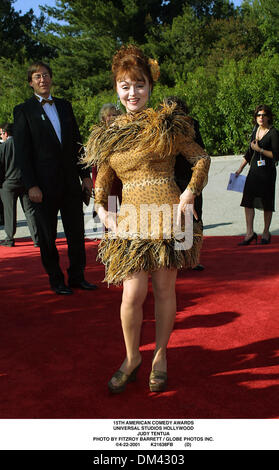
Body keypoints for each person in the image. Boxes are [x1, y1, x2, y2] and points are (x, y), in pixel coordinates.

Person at [82, 45, 210, 393]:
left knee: (165, 290)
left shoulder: (167, 124)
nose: (132, 92)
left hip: (169, 214)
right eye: (125, 85)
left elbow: (200, 158)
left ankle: (160, 356)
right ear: (117, 89)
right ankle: (131, 357)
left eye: (139, 84)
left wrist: (189, 193)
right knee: (131, 295)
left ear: (149, 86)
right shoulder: (109, 135)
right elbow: (103, 181)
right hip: (131, 220)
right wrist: (103, 210)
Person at [13, 61, 97, 295]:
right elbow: (22, 152)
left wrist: (86, 175)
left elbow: (77, 144)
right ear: (30, 82)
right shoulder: (24, 111)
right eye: (37, 77)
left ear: (51, 78)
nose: (43, 80)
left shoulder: (65, 106)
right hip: (42, 187)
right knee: (48, 238)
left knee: (76, 234)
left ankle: (78, 277)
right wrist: (31, 185)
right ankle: (56, 280)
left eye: (46, 75)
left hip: (70, 183)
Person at [163, 96, 206, 271]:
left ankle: (191, 257)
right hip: (171, 177)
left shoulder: (192, 124)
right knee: (175, 219)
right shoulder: (161, 125)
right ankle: (176, 258)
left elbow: (201, 150)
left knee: (194, 217)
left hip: (190, 176)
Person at [236, 105, 279, 245]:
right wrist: (240, 169)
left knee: (267, 202)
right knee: (247, 201)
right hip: (253, 171)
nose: (261, 117)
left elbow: (276, 155)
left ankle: (266, 233)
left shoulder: (273, 133)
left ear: (268, 117)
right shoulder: (255, 130)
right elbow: (249, 153)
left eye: (263, 115)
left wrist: (260, 149)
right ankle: (249, 233)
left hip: (267, 172)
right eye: (258, 115)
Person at [0, 123, 38, 247]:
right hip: (25, 182)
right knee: (29, 211)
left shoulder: (3, 147)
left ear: (5, 133)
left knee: (9, 212)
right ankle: (37, 239)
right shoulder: (23, 146)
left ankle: (10, 239)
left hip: (8, 183)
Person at [92, 104, 123, 209]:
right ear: (103, 118)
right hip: (107, 181)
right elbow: (95, 164)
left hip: (124, 179)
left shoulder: (126, 133)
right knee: (110, 215)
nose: (111, 118)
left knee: (129, 214)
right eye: (108, 115)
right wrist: (96, 183)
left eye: (114, 115)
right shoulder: (98, 137)